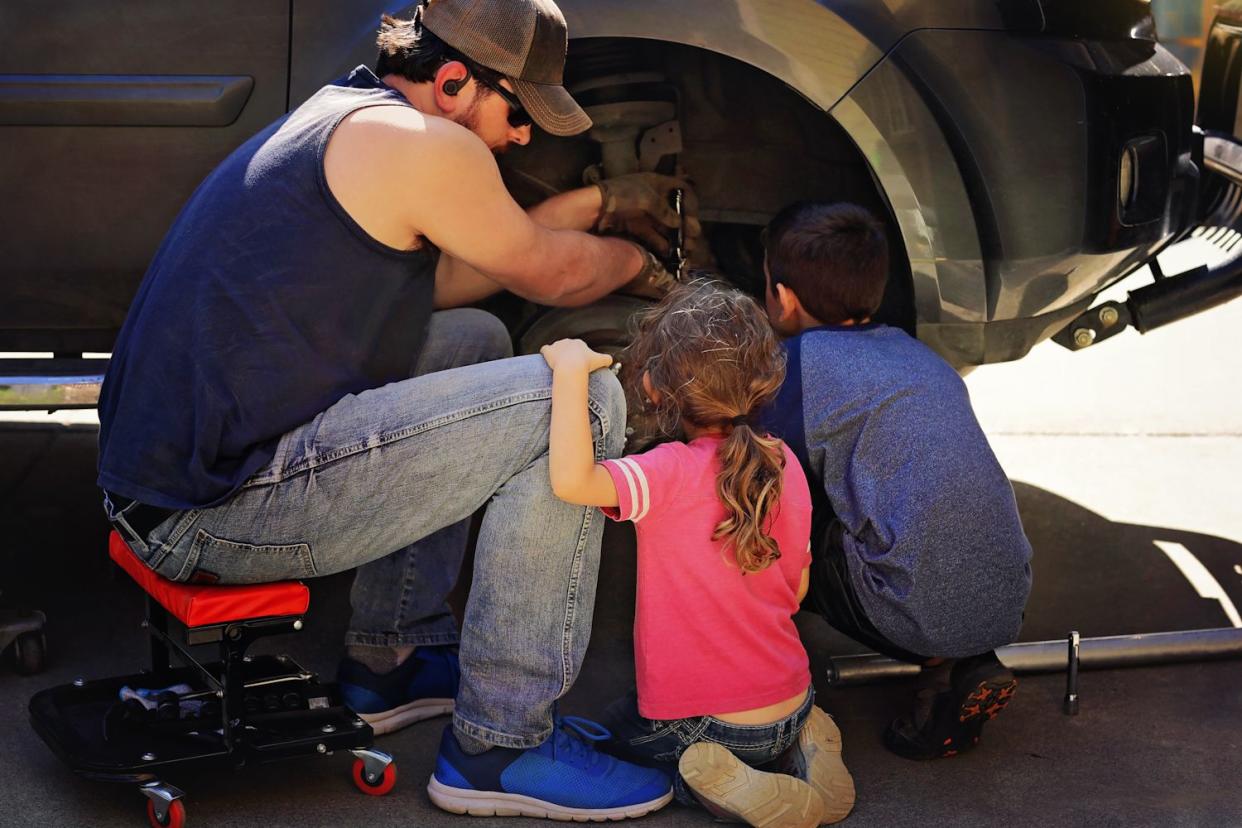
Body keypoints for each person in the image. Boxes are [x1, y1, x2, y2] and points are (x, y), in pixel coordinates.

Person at [96, 0, 699, 819]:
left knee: (475, 338)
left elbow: (459, 278)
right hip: (208, 514)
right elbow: (548, 275)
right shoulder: (428, 146)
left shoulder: (350, 119)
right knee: (580, 397)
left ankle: (395, 653)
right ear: (453, 82)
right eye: (517, 110)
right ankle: (500, 745)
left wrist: (596, 206)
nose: (524, 137)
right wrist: (647, 262)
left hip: (168, 485)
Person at [535, 280, 856, 828]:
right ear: (762, 381)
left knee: (616, 739)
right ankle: (798, 746)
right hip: (790, 695)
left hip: (701, 724)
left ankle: (711, 784)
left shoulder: (666, 474)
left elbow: (571, 480)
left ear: (656, 387)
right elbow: (797, 590)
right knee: (644, 717)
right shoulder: (783, 463)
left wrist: (568, 372)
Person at [758, 201, 1034, 760]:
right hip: (1009, 594)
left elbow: (771, 482)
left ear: (784, 298)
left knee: (765, 515)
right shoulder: (919, 356)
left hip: (908, 609)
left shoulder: (798, 366)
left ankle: (759, 677)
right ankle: (961, 662)